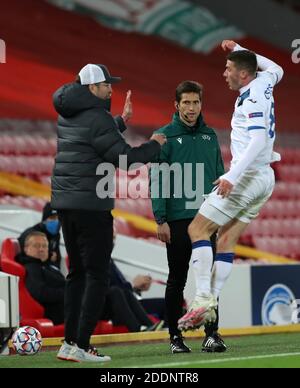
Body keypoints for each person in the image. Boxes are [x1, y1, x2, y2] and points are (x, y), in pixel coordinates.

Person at [51, 63, 166, 362]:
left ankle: (69, 343)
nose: (110, 88)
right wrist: (154, 145)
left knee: (76, 273)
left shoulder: (68, 113)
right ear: (92, 88)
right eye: (105, 84)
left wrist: (120, 121)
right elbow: (126, 159)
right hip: (92, 205)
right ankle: (82, 345)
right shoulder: (97, 118)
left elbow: (90, 136)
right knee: (98, 275)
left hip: (66, 203)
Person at [178, 40, 283, 331]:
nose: (224, 73)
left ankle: (201, 300)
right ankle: (210, 302)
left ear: (244, 75)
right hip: (265, 179)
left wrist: (232, 176)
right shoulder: (264, 80)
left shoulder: (252, 99)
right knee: (225, 240)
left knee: (197, 229)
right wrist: (238, 48)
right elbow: (277, 67)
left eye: (229, 68)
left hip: (247, 178)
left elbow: (258, 140)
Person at [150, 81, 226, 353]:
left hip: (206, 219)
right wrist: (160, 219)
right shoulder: (164, 136)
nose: (191, 108)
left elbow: (219, 176)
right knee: (177, 279)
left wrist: (223, 212)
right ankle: (175, 338)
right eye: (186, 103)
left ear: (201, 104)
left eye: (196, 102)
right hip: (178, 219)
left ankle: (212, 334)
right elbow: (157, 179)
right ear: (177, 105)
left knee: (210, 279)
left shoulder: (210, 136)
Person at [16, 231, 65, 325]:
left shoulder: (46, 265)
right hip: (58, 314)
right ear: (26, 249)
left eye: (44, 246)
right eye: (36, 246)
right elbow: (40, 293)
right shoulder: (31, 268)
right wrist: (69, 292)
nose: (41, 249)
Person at [18, 202, 61, 269]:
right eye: (52, 218)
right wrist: (49, 257)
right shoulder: (31, 235)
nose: (56, 221)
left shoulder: (56, 235)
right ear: (44, 220)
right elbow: (25, 259)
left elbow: (57, 259)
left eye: (59, 218)